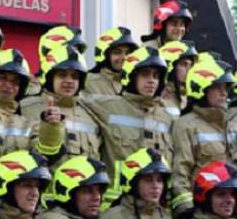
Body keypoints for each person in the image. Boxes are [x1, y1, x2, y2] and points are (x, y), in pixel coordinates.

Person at [85, 46, 174, 209]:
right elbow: (71, 101)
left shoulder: (168, 118)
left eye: (156, 76)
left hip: (157, 208)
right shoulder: (108, 107)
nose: (152, 80)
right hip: (116, 205)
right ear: (131, 76)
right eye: (145, 74)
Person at [169, 54, 237, 218]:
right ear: (200, 89)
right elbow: (181, 169)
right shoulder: (185, 125)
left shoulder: (231, 123)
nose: (223, 93)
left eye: (225, 88)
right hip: (201, 210)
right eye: (217, 87)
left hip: (230, 208)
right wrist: (186, 207)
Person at [20, 43, 102, 166]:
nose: (69, 81)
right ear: (49, 78)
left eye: (74, 77)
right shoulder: (25, 108)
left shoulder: (90, 113)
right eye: (62, 75)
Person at [83, 26, 139, 99]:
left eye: (127, 53)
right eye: (117, 52)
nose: (124, 57)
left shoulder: (136, 82)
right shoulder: (89, 82)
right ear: (104, 56)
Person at [158, 40, 198, 117]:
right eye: (184, 64)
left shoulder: (190, 98)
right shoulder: (161, 98)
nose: (189, 70)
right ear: (171, 68)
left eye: (191, 65)